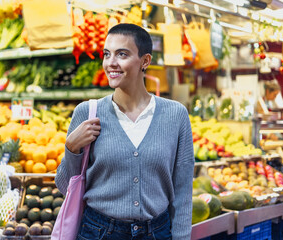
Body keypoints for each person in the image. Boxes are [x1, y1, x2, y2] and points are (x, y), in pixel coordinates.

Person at [55, 23, 194, 240]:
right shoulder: (88, 113)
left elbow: (183, 192)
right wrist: (72, 149)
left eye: (122, 54)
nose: (111, 63)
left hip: (157, 233)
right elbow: (66, 187)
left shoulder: (175, 116)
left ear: (145, 61)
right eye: (107, 54)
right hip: (97, 232)